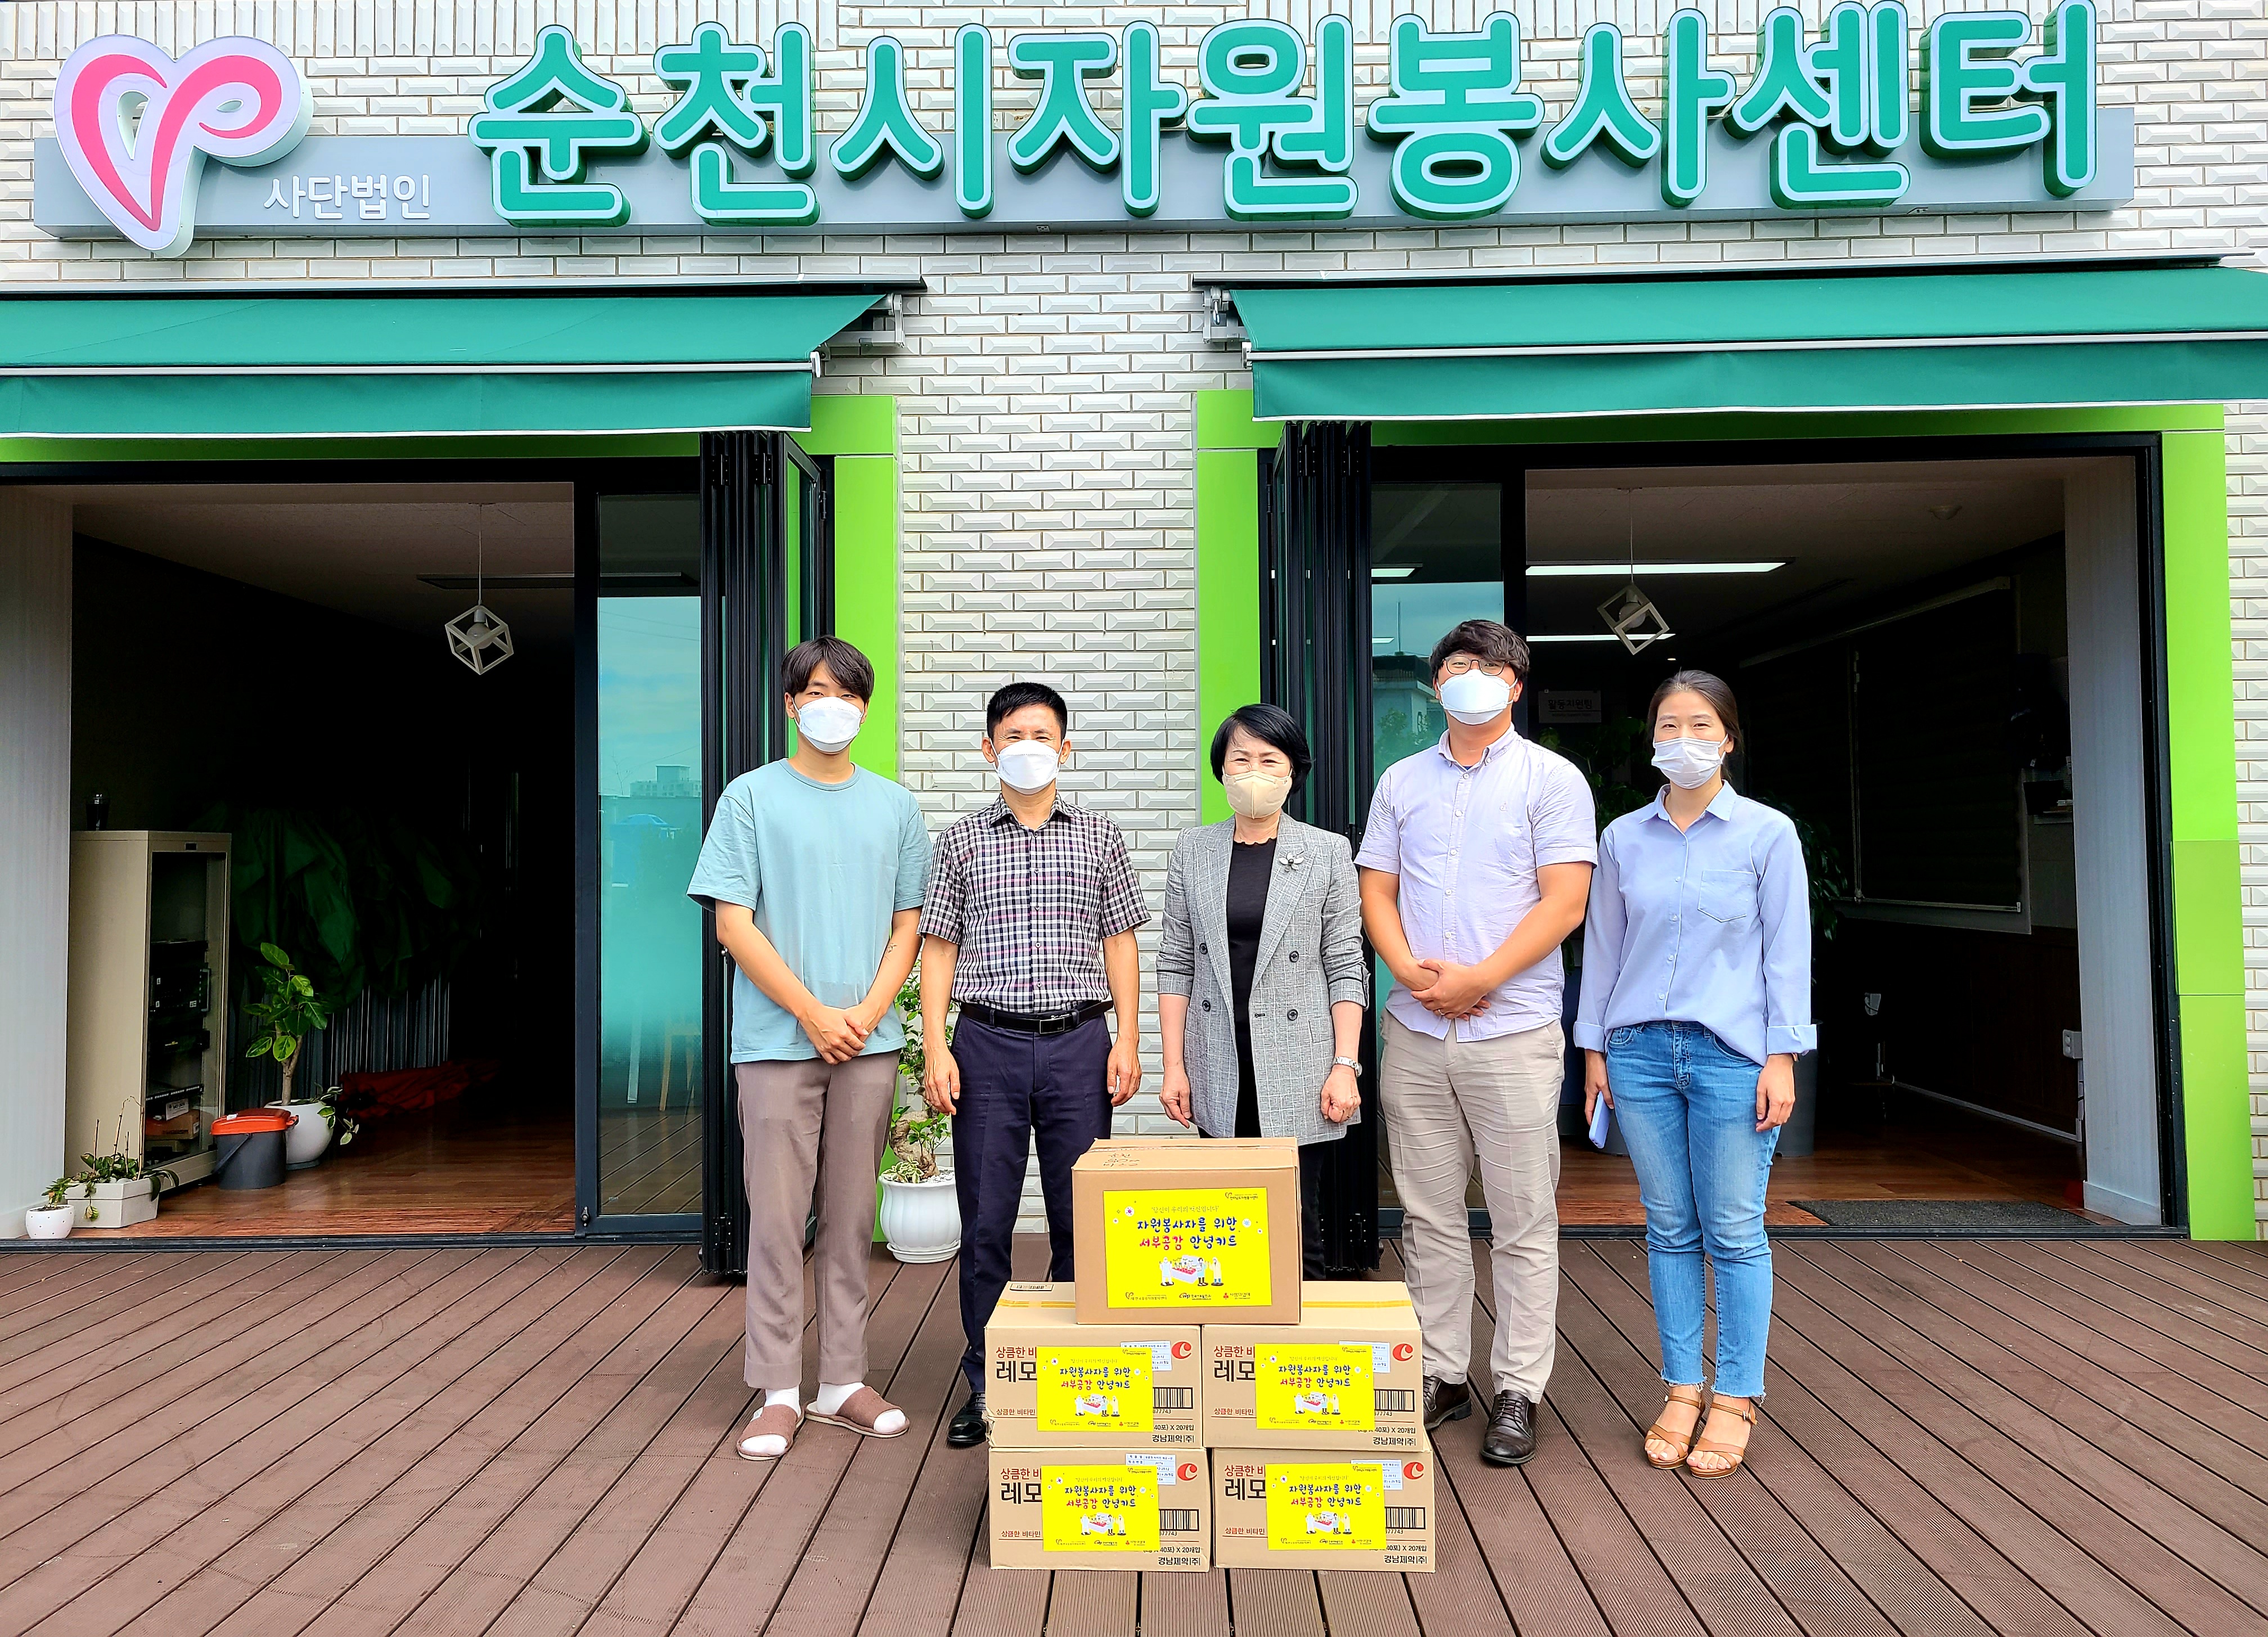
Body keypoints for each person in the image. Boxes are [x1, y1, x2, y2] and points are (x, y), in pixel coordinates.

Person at [685, 635, 932, 1464]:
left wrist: (864, 1012)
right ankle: (778, 1389)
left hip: (868, 1040)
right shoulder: (750, 798)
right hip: (775, 1043)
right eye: (817, 691)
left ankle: (843, 1380)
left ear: (866, 707)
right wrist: (812, 1013)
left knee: (853, 1217)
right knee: (778, 1218)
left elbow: (909, 924)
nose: (834, 705)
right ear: (791, 704)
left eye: (849, 693)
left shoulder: (895, 806)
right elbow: (732, 923)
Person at [1357, 619, 1596, 1467]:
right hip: (1418, 1027)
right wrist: (1411, 974)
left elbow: (1564, 902)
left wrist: (1480, 977)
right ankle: (1443, 1371)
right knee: (1429, 1216)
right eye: (1457, 664)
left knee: (1523, 1217)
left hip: (1514, 1029)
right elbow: (1376, 890)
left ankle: (1519, 1387)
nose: (1472, 677)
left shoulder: (1553, 779)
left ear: (1515, 685)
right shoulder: (1401, 780)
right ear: (1437, 685)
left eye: (1490, 666)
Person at [1575, 670, 1811, 1480]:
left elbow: (1787, 952)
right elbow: (1604, 947)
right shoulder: (1622, 838)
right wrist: (1594, 1049)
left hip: (1731, 1054)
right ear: (1652, 739)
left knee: (1735, 1230)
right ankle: (1681, 1389)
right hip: (1638, 1052)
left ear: (1729, 738)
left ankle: (1736, 1395)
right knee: (1669, 1226)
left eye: (1701, 724)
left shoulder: (1768, 834)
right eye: (1669, 725)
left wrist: (1782, 1055)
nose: (1684, 739)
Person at [919, 682, 1149, 1449]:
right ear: (988, 749)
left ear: (1066, 748)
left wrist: (1129, 1038)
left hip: (1080, 1044)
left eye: (1042, 734)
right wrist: (936, 1044)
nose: (1028, 747)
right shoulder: (960, 841)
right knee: (985, 1219)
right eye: (1013, 735)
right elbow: (939, 947)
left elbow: (1121, 939)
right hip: (986, 1043)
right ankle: (989, 1381)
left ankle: (1072, 1373)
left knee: (1080, 1216)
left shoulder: (1100, 835)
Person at [1156, 704, 1368, 1277]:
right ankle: (1234, 1332)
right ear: (1221, 769)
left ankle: (1301, 1331)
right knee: (1227, 1225)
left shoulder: (1326, 851)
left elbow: (1346, 963)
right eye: (1240, 758)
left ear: (1293, 770)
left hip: (1301, 1062)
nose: (1254, 772)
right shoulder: (1193, 849)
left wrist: (1345, 1064)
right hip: (1218, 1057)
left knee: (1299, 1226)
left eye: (1269, 760)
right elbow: (1176, 961)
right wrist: (1173, 1066)